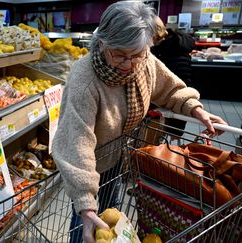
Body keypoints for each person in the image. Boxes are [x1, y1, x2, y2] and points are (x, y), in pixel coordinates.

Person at [51, 2, 227, 243]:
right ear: (102, 42)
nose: (128, 64)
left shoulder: (143, 61)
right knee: (87, 222)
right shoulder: (85, 82)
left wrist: (194, 108)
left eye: (136, 55)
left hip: (118, 156)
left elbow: (170, 89)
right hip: (89, 164)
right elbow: (76, 142)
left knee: (111, 206)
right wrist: (85, 203)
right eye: (120, 55)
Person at [151, 17, 196, 138]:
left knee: (155, 146)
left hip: (163, 111)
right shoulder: (161, 48)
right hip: (157, 108)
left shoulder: (174, 50)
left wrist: (176, 129)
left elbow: (181, 89)